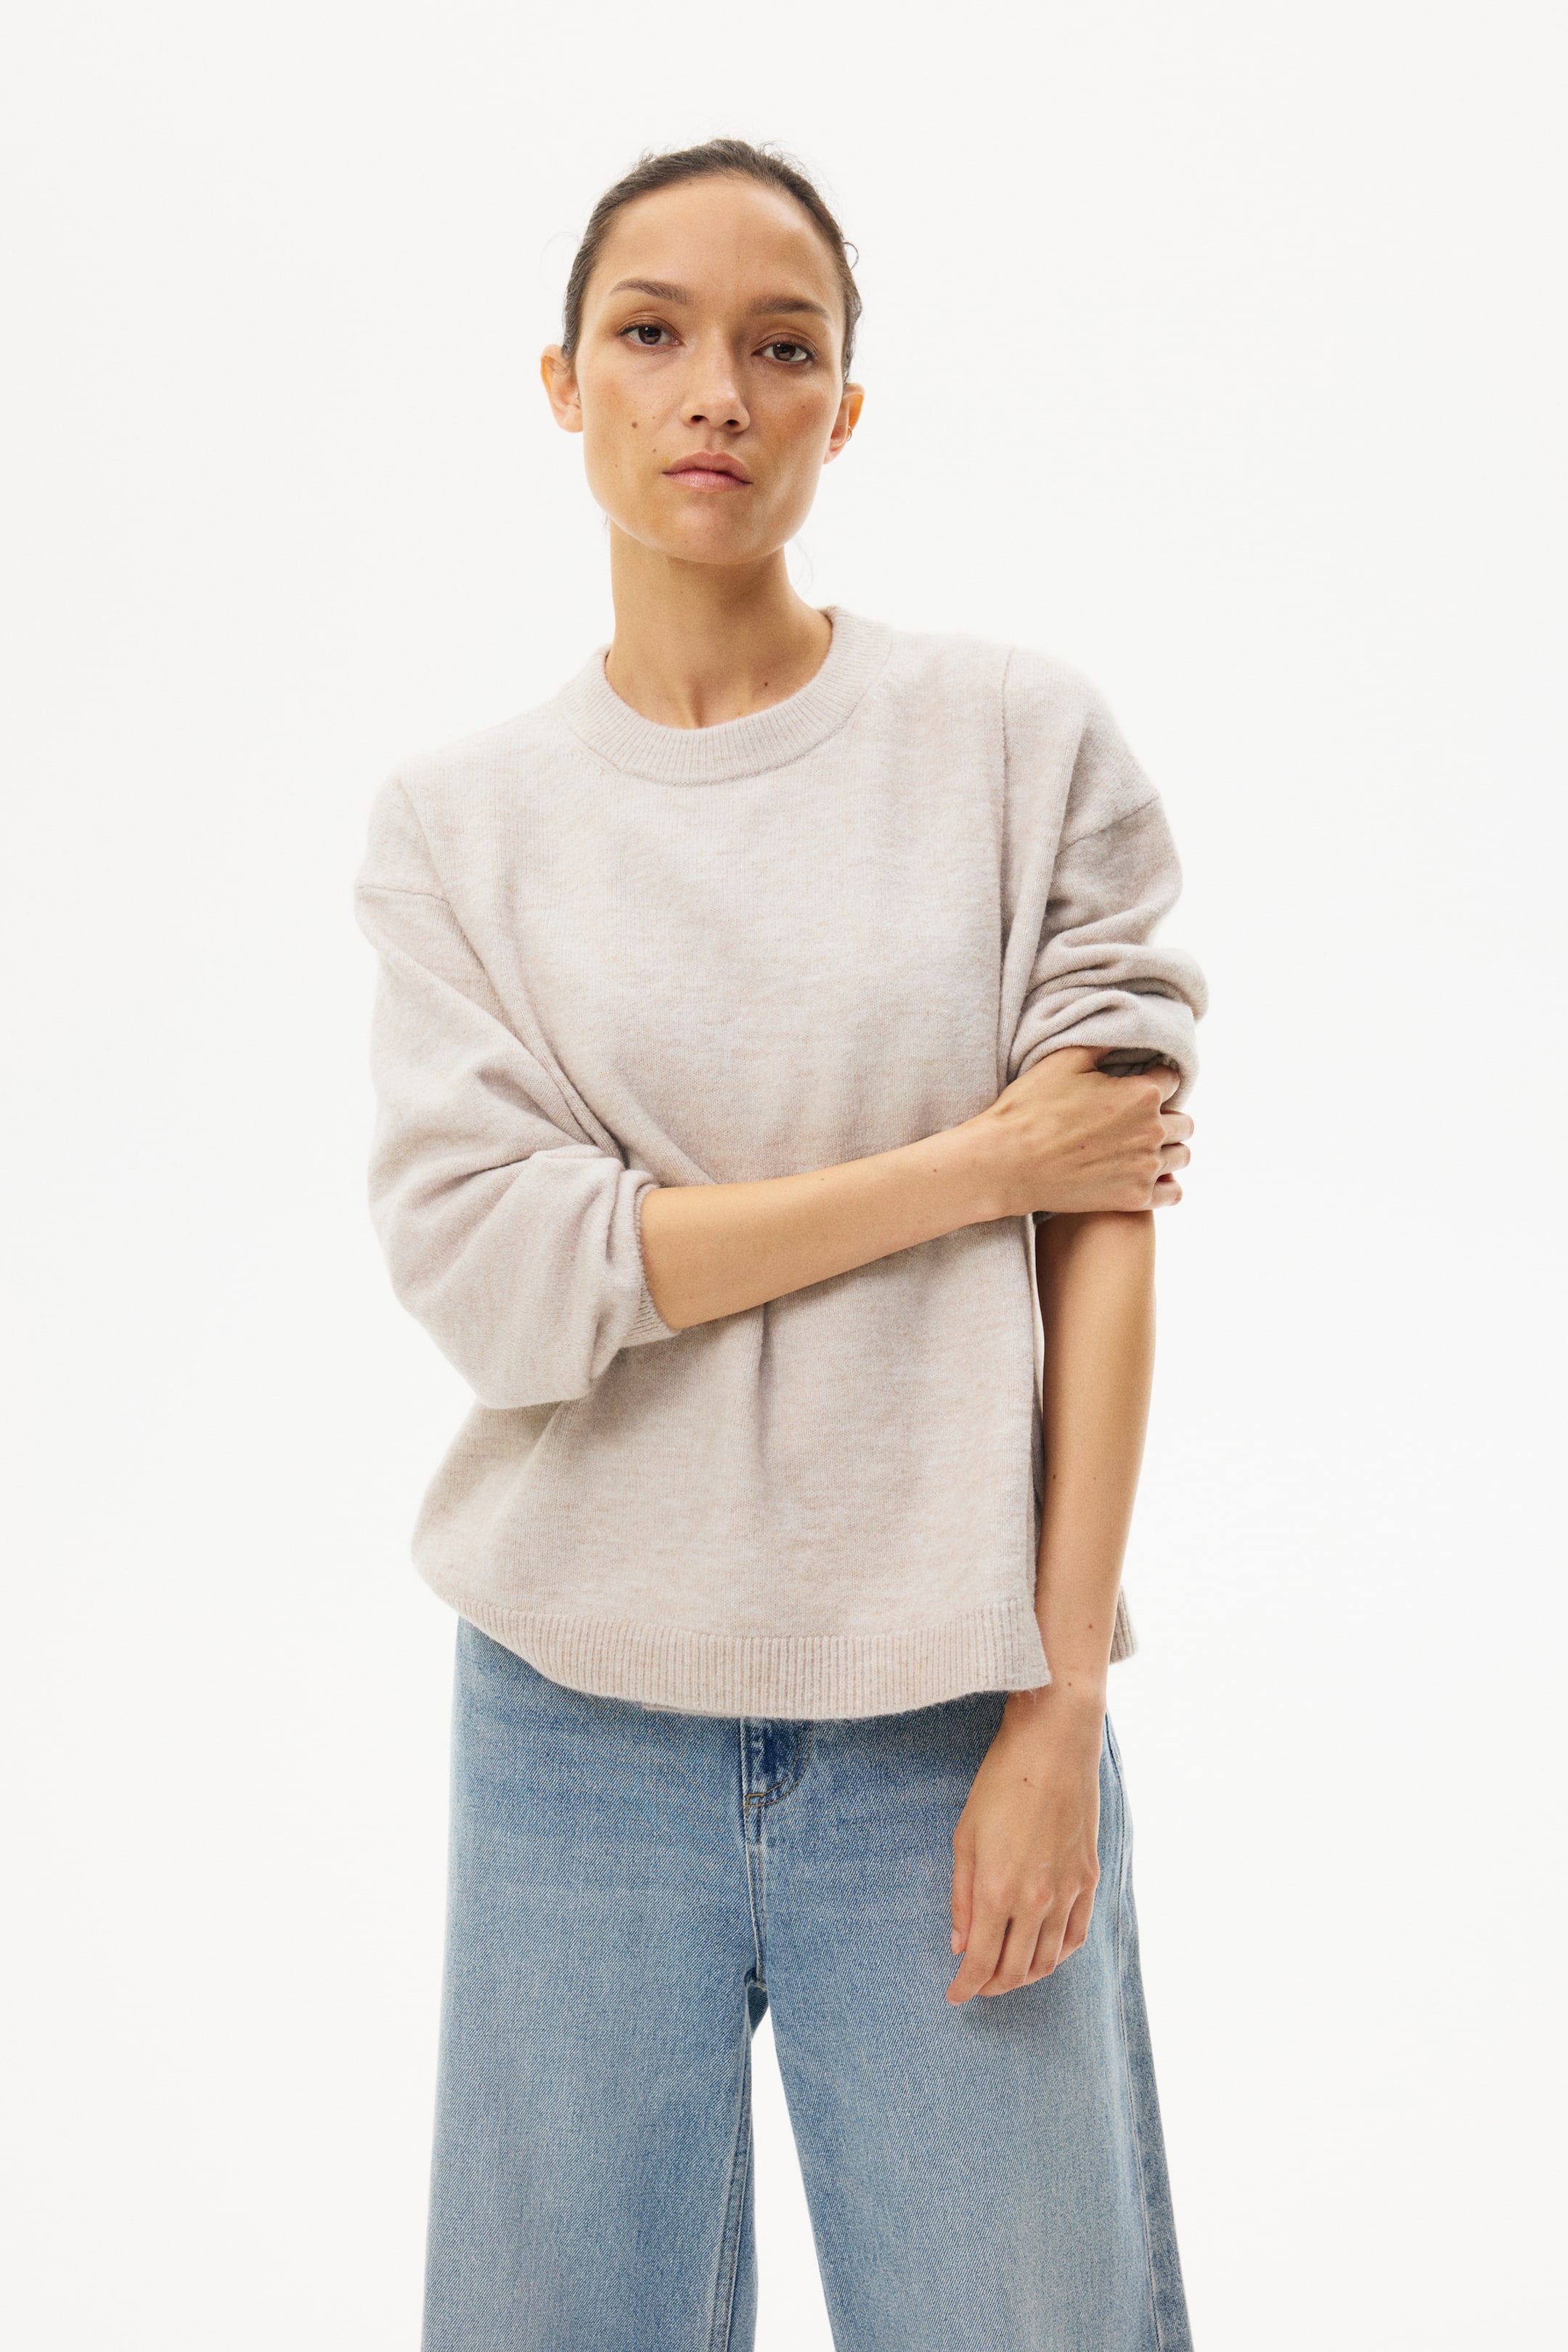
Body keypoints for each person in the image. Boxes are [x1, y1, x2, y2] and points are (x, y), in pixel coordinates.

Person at [357, 139, 1204, 2352]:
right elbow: (505, 1284)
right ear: (563, 384)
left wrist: (1061, 1703)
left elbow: (1109, 1214)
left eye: (782, 344)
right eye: (651, 333)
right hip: (571, 1710)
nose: (715, 391)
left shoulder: (1017, 745)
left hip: (953, 1701)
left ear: (849, 403)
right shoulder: (460, 830)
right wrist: (972, 1169)